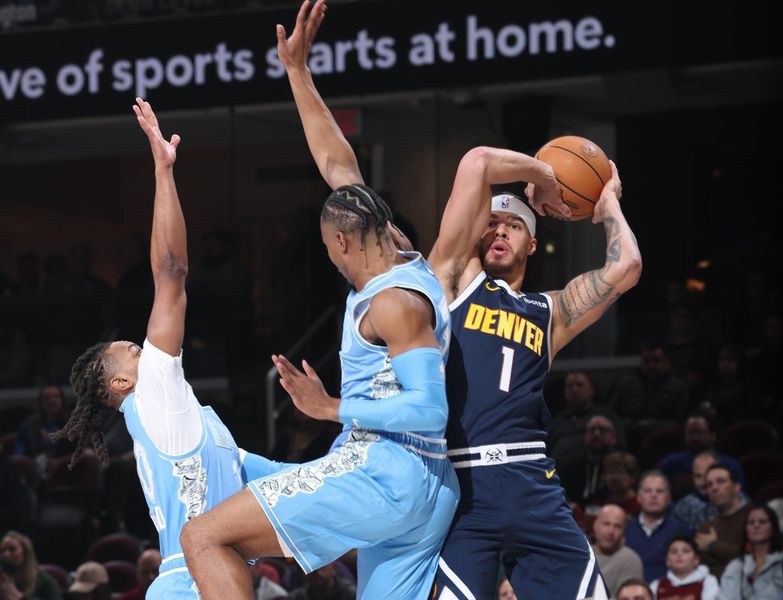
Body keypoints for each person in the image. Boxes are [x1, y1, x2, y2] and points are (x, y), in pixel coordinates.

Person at [276, 3, 641, 598]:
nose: (498, 229)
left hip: (531, 476)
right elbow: (346, 175)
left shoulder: (551, 313)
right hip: (458, 483)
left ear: (533, 239)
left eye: (513, 224)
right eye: (490, 221)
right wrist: (298, 74)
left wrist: (607, 205)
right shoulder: (442, 280)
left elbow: (624, 266)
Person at [179, 8, 458, 598]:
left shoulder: (394, 305)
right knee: (228, 471)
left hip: (384, 473)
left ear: (337, 242)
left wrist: (328, 408)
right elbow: (338, 165)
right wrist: (297, 71)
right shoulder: (402, 253)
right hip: (420, 486)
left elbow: (431, 411)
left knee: (204, 536)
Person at [49, 99, 281, 598]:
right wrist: (163, 171)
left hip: (201, 579)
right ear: (120, 382)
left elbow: (290, 483)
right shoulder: (152, 392)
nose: (143, 348)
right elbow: (172, 270)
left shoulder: (197, 429)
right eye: (132, 350)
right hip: (195, 584)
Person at [624, 471, 692, 582]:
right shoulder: (625, 530)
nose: (654, 495)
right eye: (648, 491)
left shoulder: (682, 532)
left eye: (659, 491)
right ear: (639, 497)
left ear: (669, 498)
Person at [658, 412, 744, 499]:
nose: (694, 437)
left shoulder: (730, 465)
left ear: (713, 435)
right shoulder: (670, 463)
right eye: (690, 433)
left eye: (699, 433)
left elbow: (739, 498)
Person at [717, 505, 783, 600]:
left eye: (763, 522)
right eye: (751, 522)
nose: (756, 526)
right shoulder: (735, 565)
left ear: (773, 527)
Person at [695, 463, 751, 578]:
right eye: (709, 484)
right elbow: (702, 567)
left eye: (720, 481)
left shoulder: (754, 518)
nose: (714, 488)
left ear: (736, 487)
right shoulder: (706, 528)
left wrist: (713, 545)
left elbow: (751, 558)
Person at [592, 504, 644, 596]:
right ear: (595, 525)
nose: (611, 531)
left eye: (617, 526)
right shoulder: (582, 554)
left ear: (623, 532)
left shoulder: (630, 560)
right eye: (606, 524)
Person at [649, 536, 719, 600]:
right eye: (674, 552)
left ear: (696, 559)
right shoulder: (656, 585)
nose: (679, 554)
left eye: (686, 551)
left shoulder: (708, 582)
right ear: (667, 561)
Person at [0, 532, 61, 600]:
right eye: (2, 550)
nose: (6, 554)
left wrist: (19, 597)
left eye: (12, 549)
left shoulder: (45, 582)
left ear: (25, 552)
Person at [287, 563, 355, 600]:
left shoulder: (353, 596)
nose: (318, 572)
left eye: (322, 566)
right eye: (312, 568)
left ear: (333, 567)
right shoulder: (295, 597)